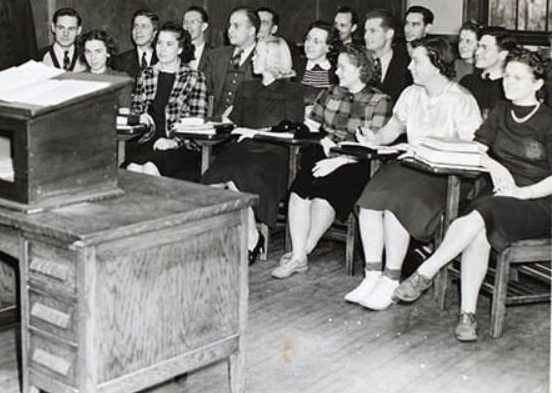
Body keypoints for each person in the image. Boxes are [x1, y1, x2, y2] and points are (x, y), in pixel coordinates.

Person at [393, 48, 552, 342]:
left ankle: (426, 272)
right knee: (478, 230)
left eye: (518, 78)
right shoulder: (502, 111)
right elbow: (478, 149)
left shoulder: (548, 120)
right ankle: (467, 316)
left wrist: (523, 192)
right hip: (500, 194)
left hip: (538, 201)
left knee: (481, 211)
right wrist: (494, 168)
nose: (509, 82)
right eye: (508, 76)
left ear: (538, 84)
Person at [346, 37, 482, 310]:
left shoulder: (461, 100)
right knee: (370, 200)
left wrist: (438, 149)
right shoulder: (412, 94)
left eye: (417, 61)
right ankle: (372, 275)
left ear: (437, 64)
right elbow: (392, 130)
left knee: (398, 204)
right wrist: (375, 137)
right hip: (410, 165)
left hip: (445, 175)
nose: (409, 67)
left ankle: (391, 278)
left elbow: (474, 148)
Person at [272, 45, 392, 278]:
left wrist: (341, 161)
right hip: (326, 152)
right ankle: (298, 256)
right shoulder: (329, 92)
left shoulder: (379, 100)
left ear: (360, 70)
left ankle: (302, 253)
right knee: (300, 189)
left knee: (326, 193)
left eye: (343, 67)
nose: (337, 72)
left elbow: (376, 144)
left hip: (357, 161)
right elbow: (313, 126)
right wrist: (322, 139)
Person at [201, 36, 304, 263]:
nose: (253, 59)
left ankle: (250, 238)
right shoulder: (247, 87)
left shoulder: (292, 91)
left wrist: (257, 133)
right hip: (243, 148)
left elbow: (293, 129)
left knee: (237, 175)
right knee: (215, 179)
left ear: (272, 59)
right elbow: (235, 122)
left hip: (274, 152)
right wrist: (217, 122)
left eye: (257, 55)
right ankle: (226, 237)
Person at [124, 22, 207, 181]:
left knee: (149, 167)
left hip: (181, 146)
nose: (162, 49)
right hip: (147, 140)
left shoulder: (194, 78)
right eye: (159, 43)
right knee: (132, 168)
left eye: (169, 44)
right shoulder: (146, 74)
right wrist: (138, 117)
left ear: (180, 49)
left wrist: (174, 142)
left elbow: (197, 124)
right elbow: (136, 112)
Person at [203, 7, 260, 119]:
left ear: (251, 30)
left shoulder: (263, 57)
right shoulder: (216, 56)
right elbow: (205, 90)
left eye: (236, 26)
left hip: (248, 122)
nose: (230, 30)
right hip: (215, 121)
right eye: (229, 25)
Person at [460, 26, 517, 115]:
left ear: (503, 54)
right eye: (478, 46)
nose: (477, 52)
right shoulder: (467, 82)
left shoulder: (510, 88)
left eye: (485, 47)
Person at [363, 9, 411, 105]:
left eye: (372, 31)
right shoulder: (358, 60)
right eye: (365, 31)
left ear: (389, 34)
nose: (366, 36)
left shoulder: (407, 65)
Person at [79, 28, 133, 107]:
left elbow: (124, 112)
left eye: (98, 51)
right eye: (88, 52)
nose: (93, 57)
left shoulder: (121, 80)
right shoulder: (78, 79)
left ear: (108, 52)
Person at [112, 9, 159, 79]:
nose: (138, 31)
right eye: (135, 26)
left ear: (154, 33)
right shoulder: (120, 61)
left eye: (143, 26)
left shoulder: (162, 59)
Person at [299, 20, 336, 107]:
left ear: (329, 47)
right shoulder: (295, 67)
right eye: (308, 39)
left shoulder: (337, 72)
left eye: (316, 42)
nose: (309, 45)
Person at [256, 6, 301, 73]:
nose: (259, 26)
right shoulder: (243, 46)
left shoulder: (287, 49)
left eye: (264, 23)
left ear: (274, 29)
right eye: (256, 22)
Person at [41, 7, 85, 71]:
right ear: (53, 28)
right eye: (61, 28)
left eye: (71, 29)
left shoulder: (87, 56)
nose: (66, 34)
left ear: (79, 30)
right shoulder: (38, 57)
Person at [182, 5, 213, 72]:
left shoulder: (214, 55)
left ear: (204, 26)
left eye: (193, 22)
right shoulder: (177, 51)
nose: (188, 26)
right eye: (186, 22)